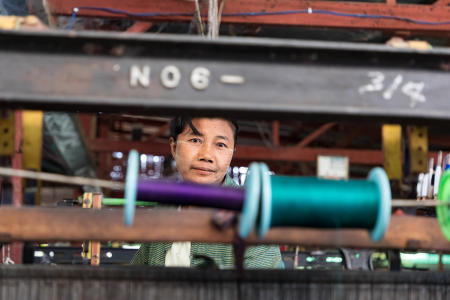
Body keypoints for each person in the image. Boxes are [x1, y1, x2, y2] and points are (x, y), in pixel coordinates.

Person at [131, 116, 283, 268]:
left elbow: (263, 289)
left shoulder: (252, 217)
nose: (206, 156)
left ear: (232, 153)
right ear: (174, 147)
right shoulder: (164, 211)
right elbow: (134, 279)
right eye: (195, 140)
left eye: (221, 144)